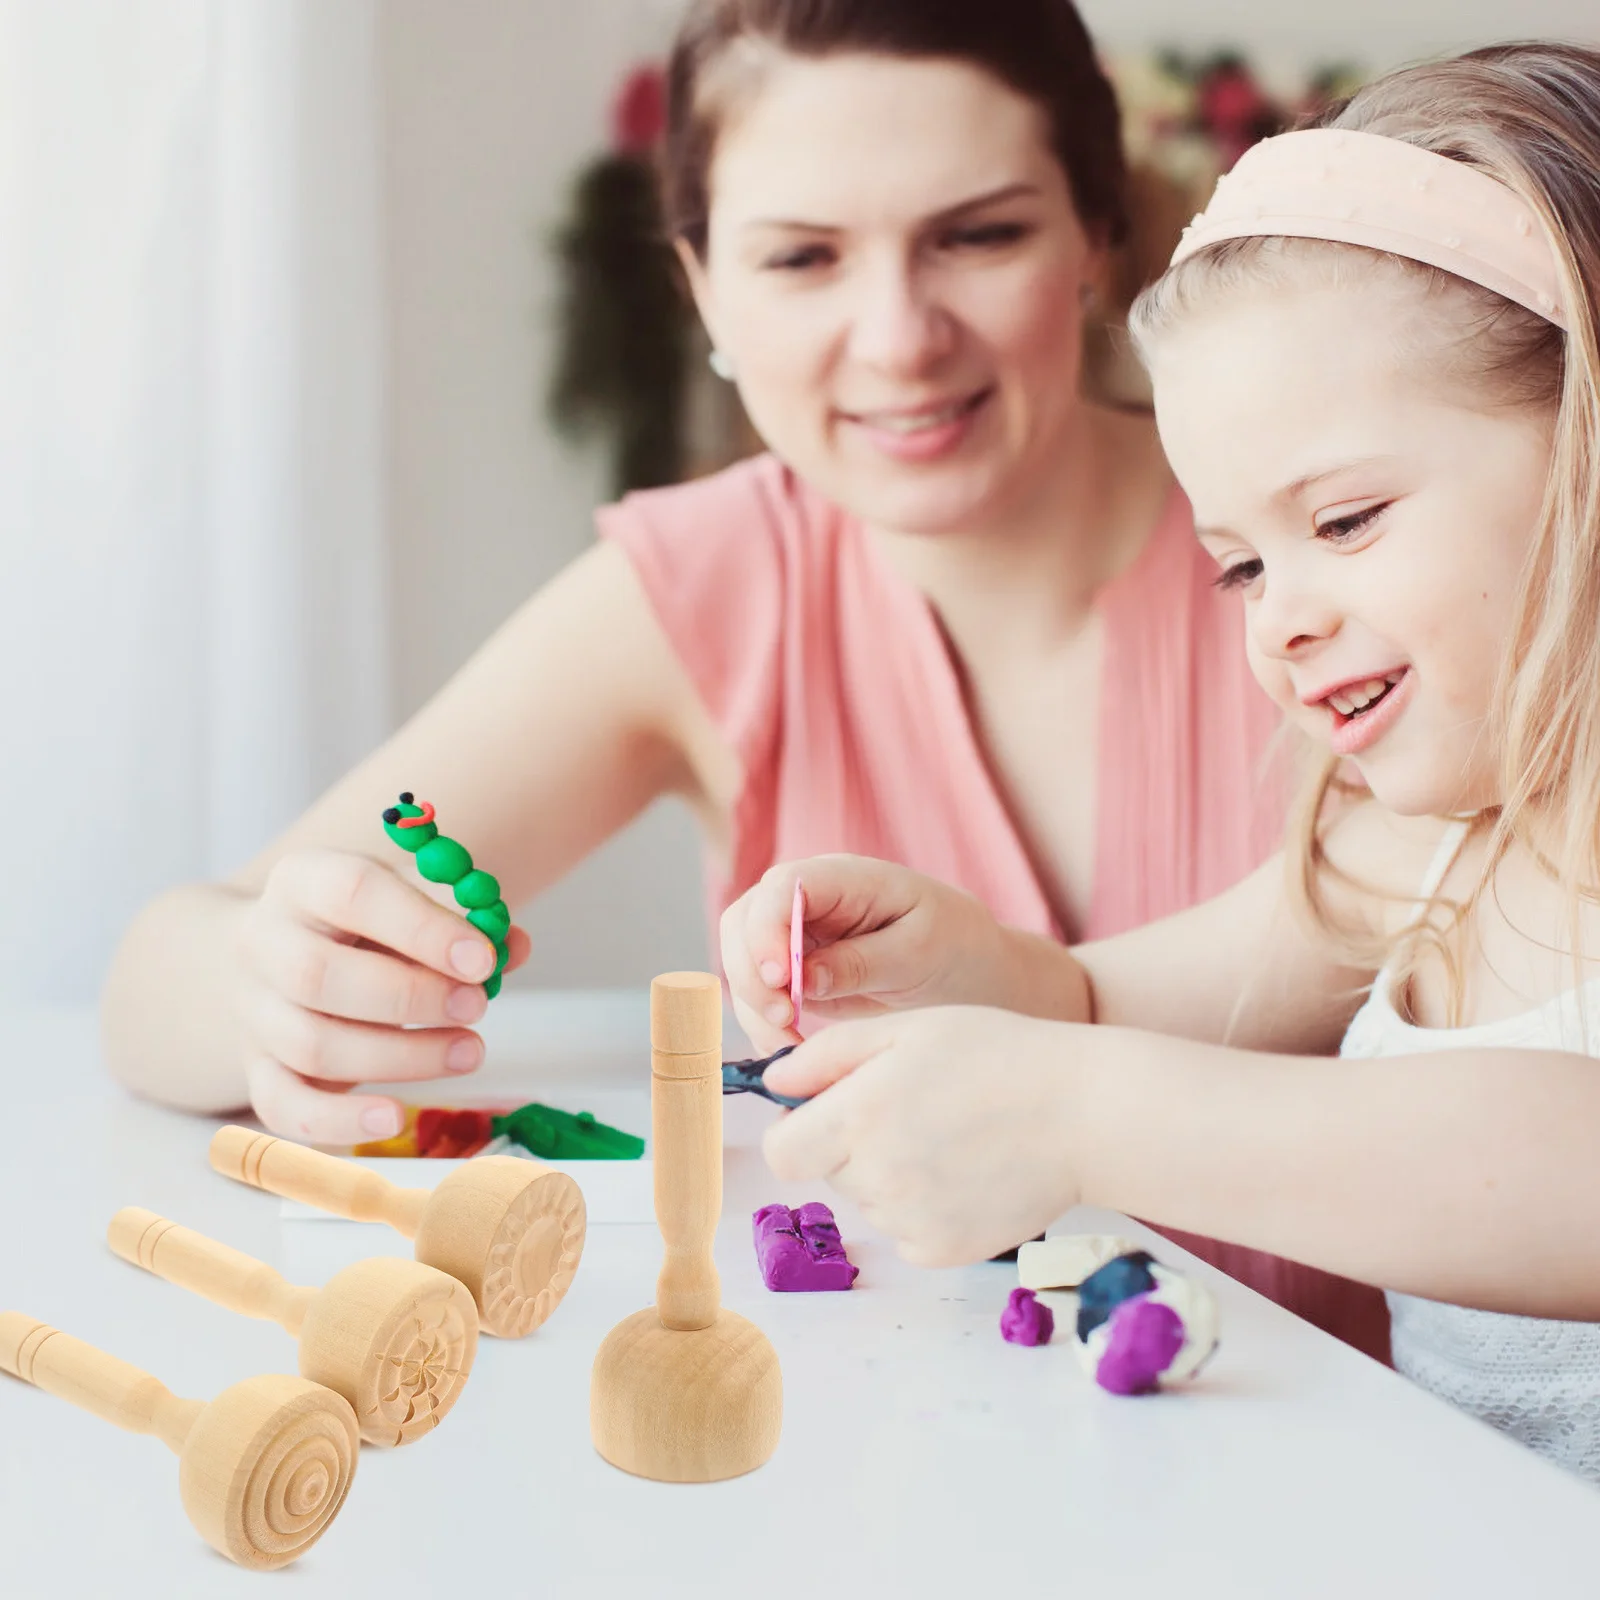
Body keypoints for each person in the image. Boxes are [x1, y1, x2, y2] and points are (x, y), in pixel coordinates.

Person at [99, 0, 1385, 1356]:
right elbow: (153, 984)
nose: (897, 338)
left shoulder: (1344, 547)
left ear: (1096, 235)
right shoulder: (703, 588)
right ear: (703, 287)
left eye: (978, 235)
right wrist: (269, 985)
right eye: (803, 256)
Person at [720, 42, 1600, 1479]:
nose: (1282, 619)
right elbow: (1099, 1003)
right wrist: (960, 971)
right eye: (1241, 565)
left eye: (1347, 520)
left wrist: (1082, 1112)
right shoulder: (1417, 853)